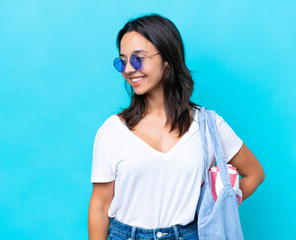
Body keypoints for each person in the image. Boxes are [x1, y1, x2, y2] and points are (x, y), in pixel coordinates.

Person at [88, 13, 265, 240]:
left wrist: (216, 211)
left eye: (138, 58)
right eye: (123, 61)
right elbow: (100, 207)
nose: (129, 69)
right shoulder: (112, 130)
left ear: (167, 59)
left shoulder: (207, 125)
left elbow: (254, 174)